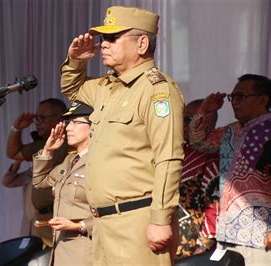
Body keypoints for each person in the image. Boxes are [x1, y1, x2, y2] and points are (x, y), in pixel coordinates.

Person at [60, 6, 184, 265]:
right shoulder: (108, 87)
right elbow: (72, 89)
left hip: (136, 221)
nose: (103, 44)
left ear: (141, 43)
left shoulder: (157, 91)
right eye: (103, 38)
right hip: (103, 224)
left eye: (113, 38)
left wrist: (160, 220)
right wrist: (77, 61)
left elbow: (168, 158)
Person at [189, 74, 271, 264]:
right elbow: (198, 142)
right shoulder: (231, 131)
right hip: (229, 232)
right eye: (232, 97)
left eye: (241, 96)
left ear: (263, 99)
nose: (235, 102)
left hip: (261, 234)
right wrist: (204, 112)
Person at [32, 102, 94, 265]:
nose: (68, 128)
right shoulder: (70, 160)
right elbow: (39, 182)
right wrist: (48, 151)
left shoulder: (100, 162)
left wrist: (79, 225)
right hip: (61, 250)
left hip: (85, 251)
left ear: (93, 126)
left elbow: (113, 213)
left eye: (75, 122)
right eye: (68, 122)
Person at [6, 98, 69, 247]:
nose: (37, 122)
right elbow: (14, 153)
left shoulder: (71, 142)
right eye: (36, 118)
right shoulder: (42, 144)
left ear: (60, 118)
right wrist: (17, 129)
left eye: (42, 118)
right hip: (40, 218)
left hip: (61, 215)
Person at [176, 99, 220, 259]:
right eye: (181, 119)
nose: (183, 124)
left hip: (194, 247)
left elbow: (215, 204)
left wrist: (204, 243)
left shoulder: (213, 157)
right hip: (171, 241)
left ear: (206, 122)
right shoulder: (178, 151)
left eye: (189, 119)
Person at [2, 162, 36, 236]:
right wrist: (17, 162)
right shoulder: (30, 173)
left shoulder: (52, 171)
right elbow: (7, 182)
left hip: (43, 221)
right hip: (28, 223)